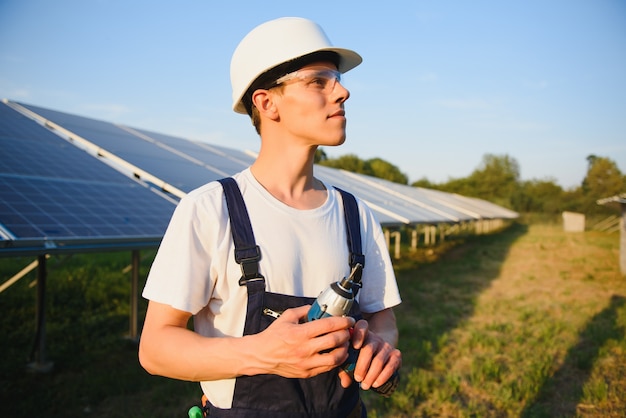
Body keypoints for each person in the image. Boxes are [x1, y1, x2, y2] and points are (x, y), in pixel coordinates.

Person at [138, 17, 402, 417]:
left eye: (338, 79)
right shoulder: (211, 209)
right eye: (319, 80)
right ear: (267, 102)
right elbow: (155, 349)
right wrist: (262, 354)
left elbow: (383, 322)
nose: (343, 91)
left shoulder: (356, 215)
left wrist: (378, 348)